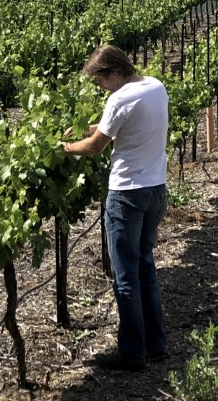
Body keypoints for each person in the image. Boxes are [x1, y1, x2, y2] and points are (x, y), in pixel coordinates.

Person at [62, 44, 170, 372]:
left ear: (114, 72)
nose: (100, 87)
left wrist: (65, 147)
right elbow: (118, 125)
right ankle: (156, 346)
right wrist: (87, 128)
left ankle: (132, 354)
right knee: (145, 267)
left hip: (126, 196)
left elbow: (96, 148)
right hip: (155, 191)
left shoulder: (119, 98)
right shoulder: (155, 87)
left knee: (125, 277)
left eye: (100, 81)